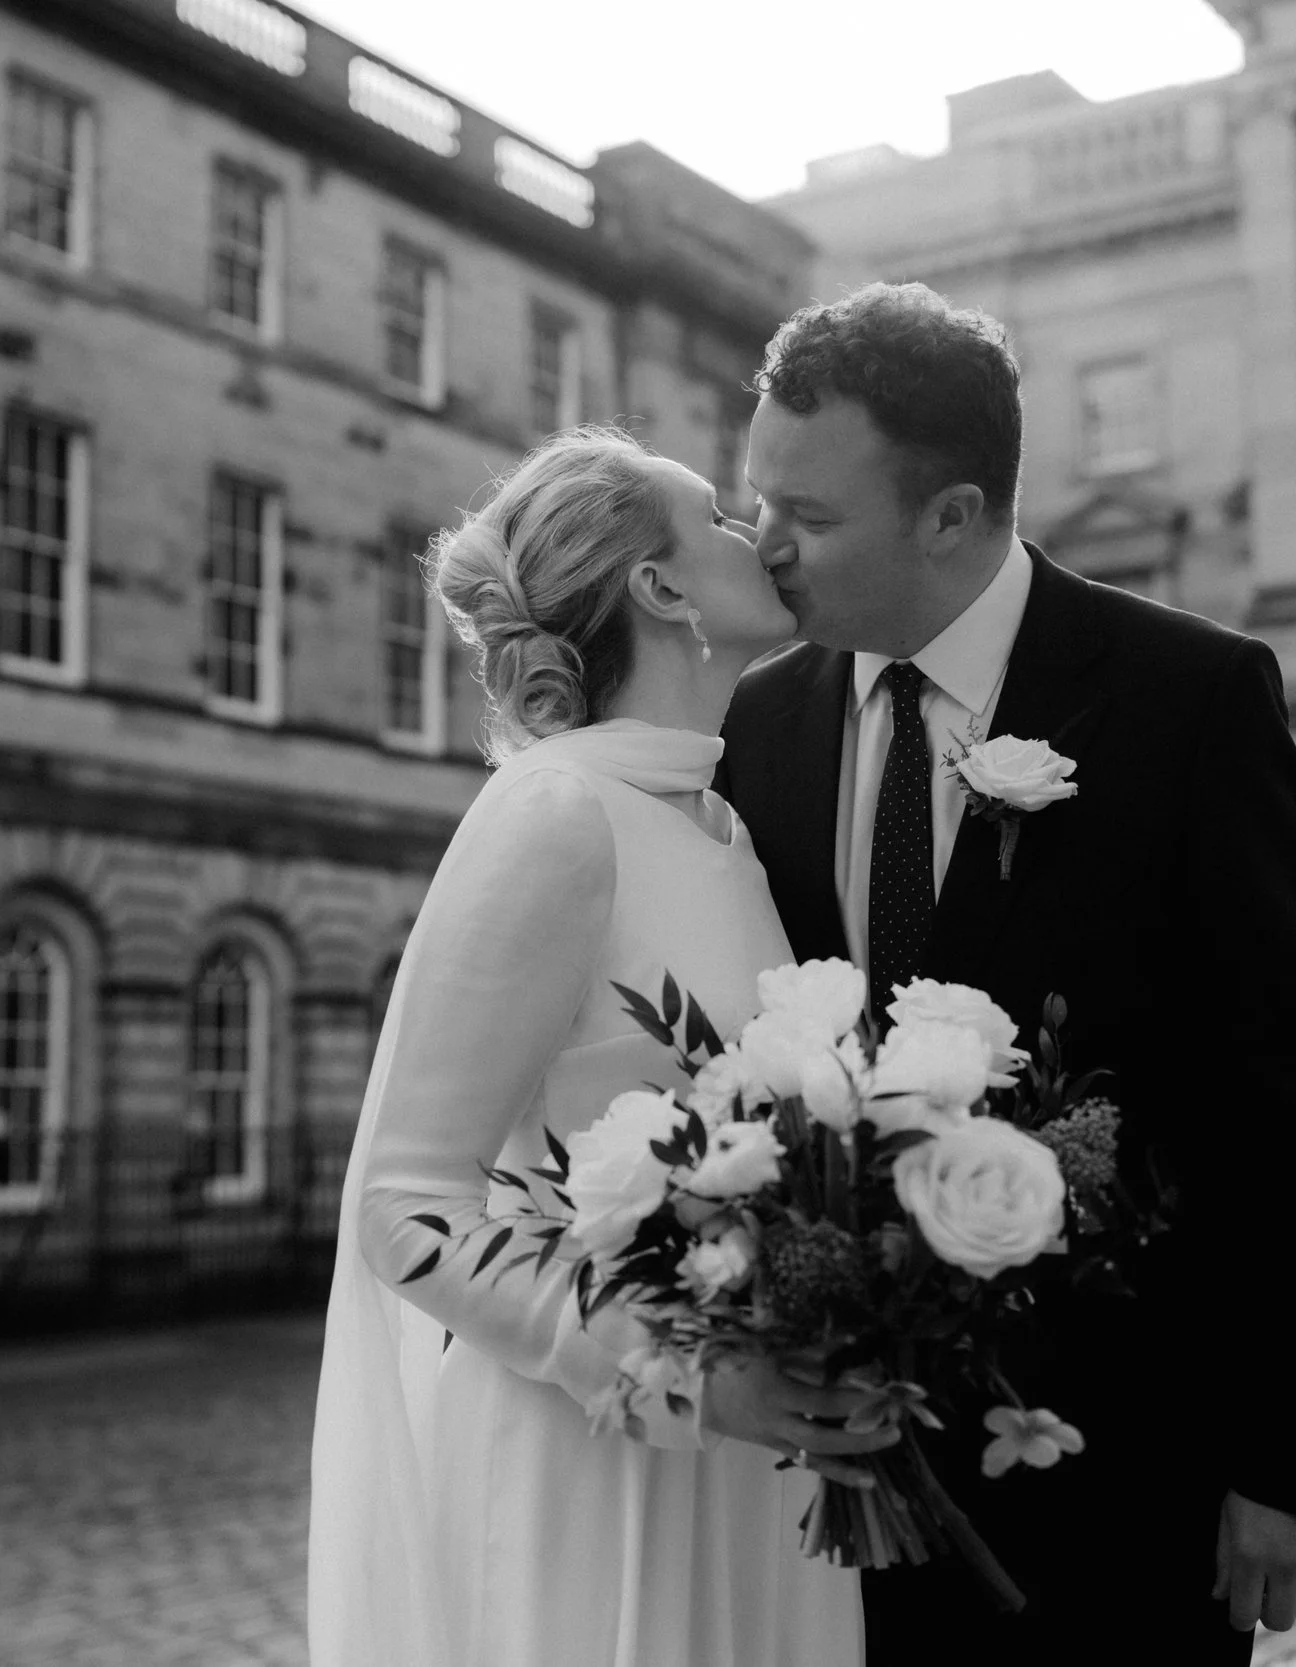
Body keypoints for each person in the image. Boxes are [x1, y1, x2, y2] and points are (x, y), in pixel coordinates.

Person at [715, 282, 1296, 1664]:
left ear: (953, 514)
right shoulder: (758, 717)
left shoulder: (1189, 698)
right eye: (755, 501)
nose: (765, 547)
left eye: (812, 517)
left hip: (1127, 1480)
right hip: (827, 1498)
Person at [307, 429, 886, 1667]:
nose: (758, 535)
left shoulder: (720, 826)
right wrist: (675, 1363)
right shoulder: (556, 815)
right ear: (663, 590)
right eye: (721, 523)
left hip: (742, 1470)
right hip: (594, 1458)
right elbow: (403, 1204)